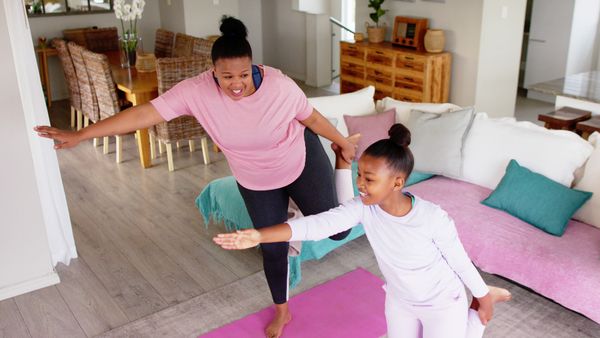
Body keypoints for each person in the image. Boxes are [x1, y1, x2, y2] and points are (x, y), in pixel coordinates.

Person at [34, 17, 356, 338]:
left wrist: (341, 143)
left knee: (339, 231)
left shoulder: (279, 86)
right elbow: (143, 114)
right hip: (256, 178)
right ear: (212, 70)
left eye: (244, 74)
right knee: (272, 248)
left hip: (298, 157)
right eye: (227, 76)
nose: (237, 84)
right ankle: (282, 312)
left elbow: (311, 117)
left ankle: (337, 168)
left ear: (253, 66)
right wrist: (82, 134)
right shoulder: (197, 91)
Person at [214, 124, 512, 338]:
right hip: (401, 301)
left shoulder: (433, 218)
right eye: (359, 175)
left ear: (397, 183)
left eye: (369, 179)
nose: (361, 184)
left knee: (474, 319)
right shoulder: (364, 207)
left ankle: (477, 313)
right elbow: (320, 223)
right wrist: (260, 234)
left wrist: (482, 295)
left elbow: (459, 260)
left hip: (443, 302)